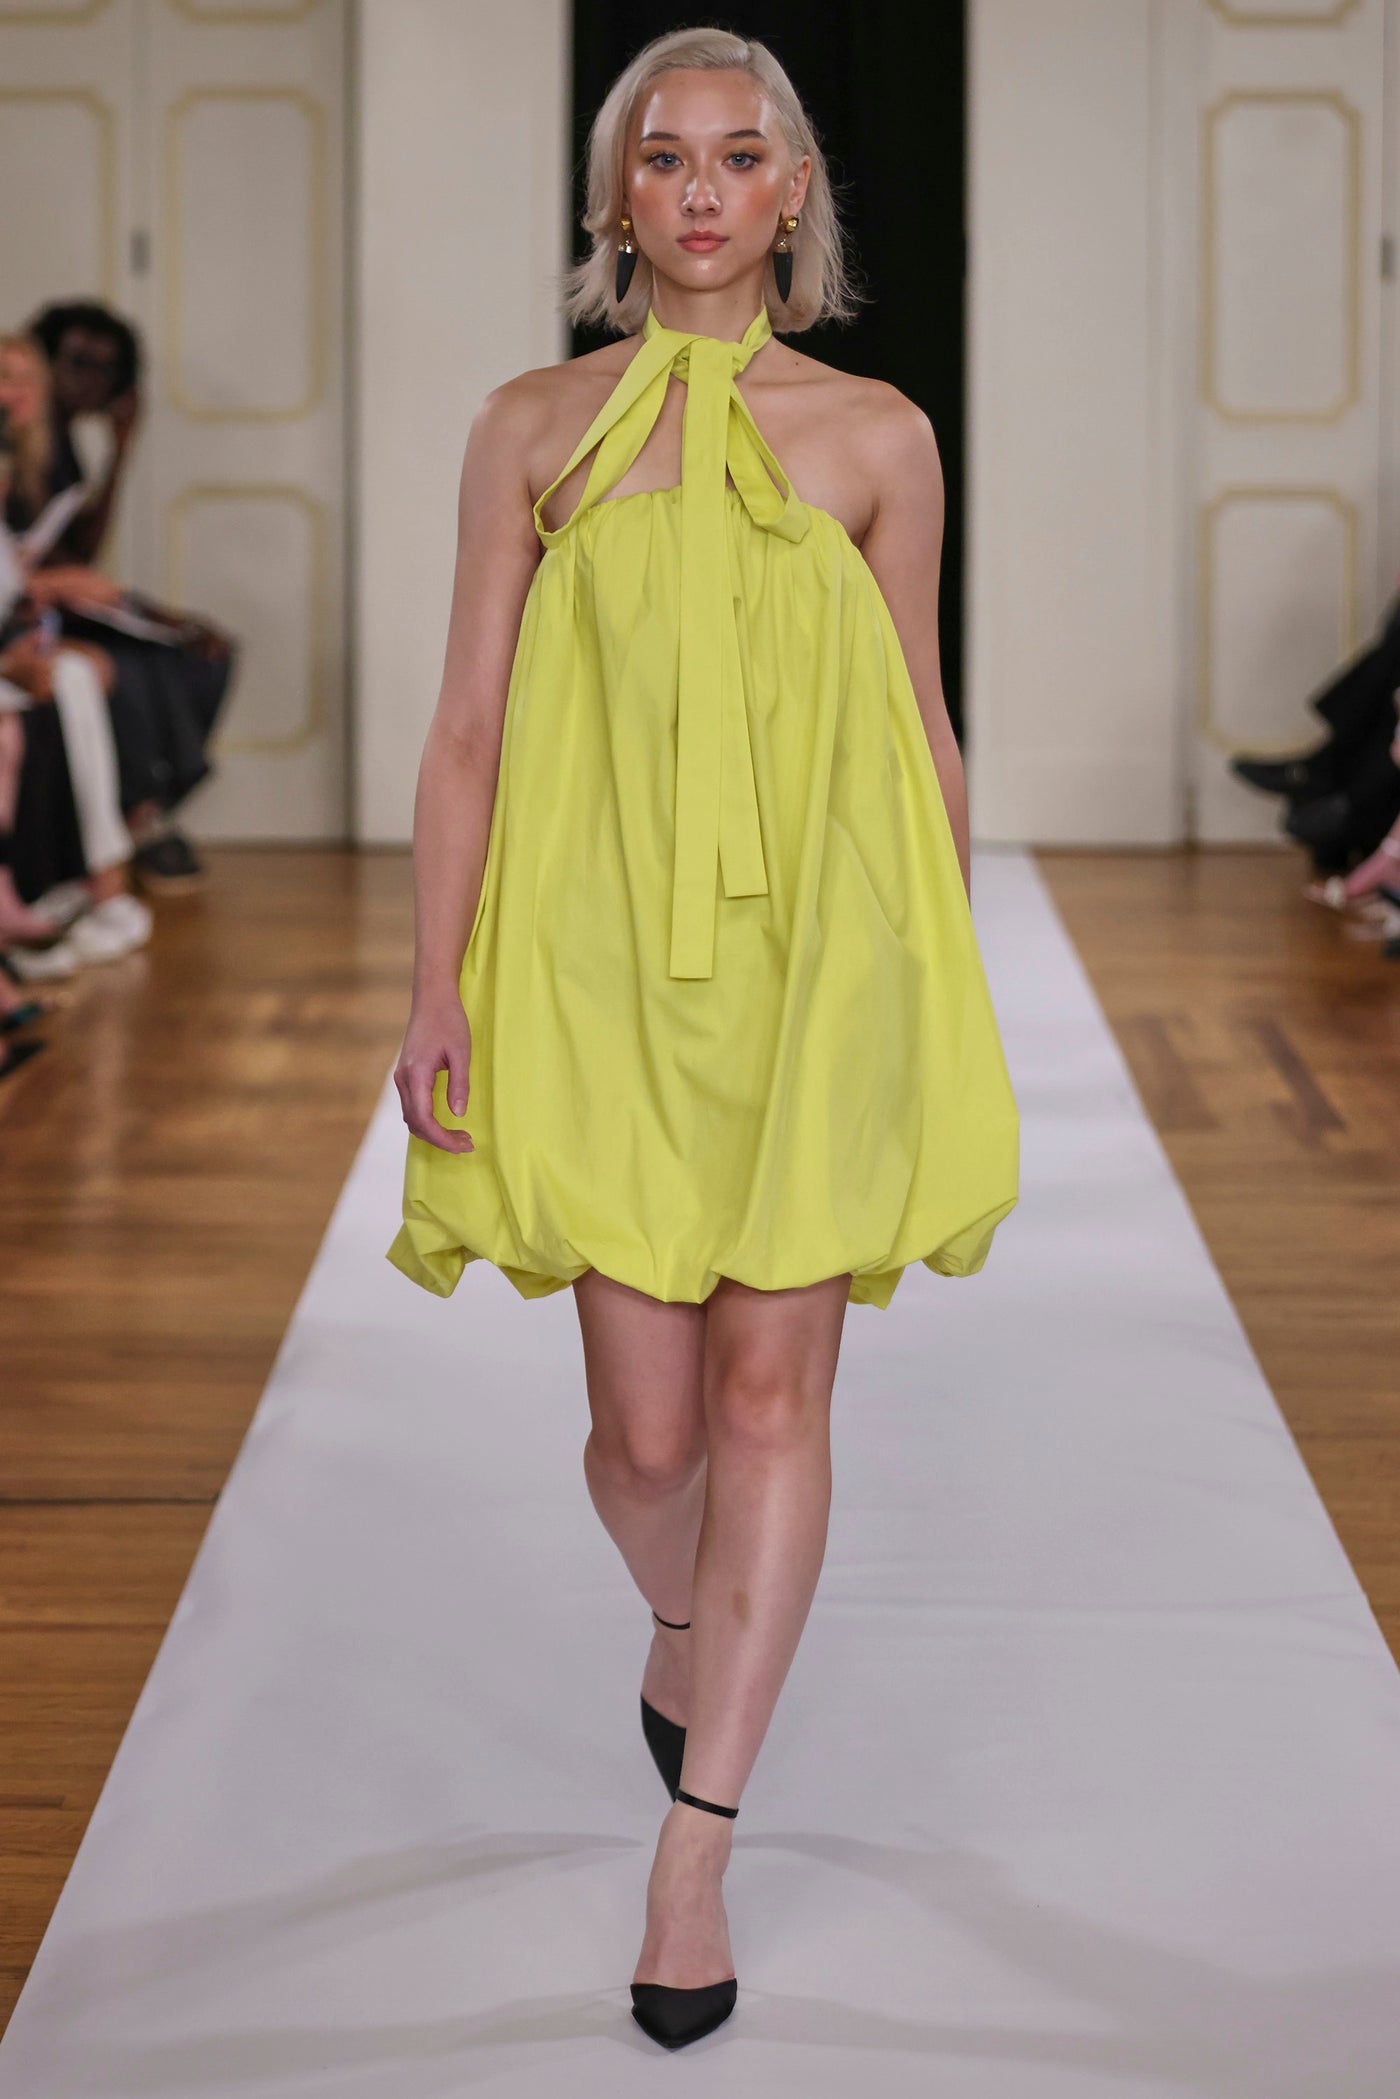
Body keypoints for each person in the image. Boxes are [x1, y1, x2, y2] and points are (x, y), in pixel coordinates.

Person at [386, 25, 1020, 2052]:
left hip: (820, 966)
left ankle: (696, 1851)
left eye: (740, 157)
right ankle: (679, 1616)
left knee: (767, 1404)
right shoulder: (528, 429)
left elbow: (917, 718)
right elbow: (467, 728)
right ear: (617, 196)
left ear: (792, 191)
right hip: (593, 966)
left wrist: (943, 979)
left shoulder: (879, 437)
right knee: (647, 1437)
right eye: (663, 158)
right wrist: (437, 983)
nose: (700, 191)